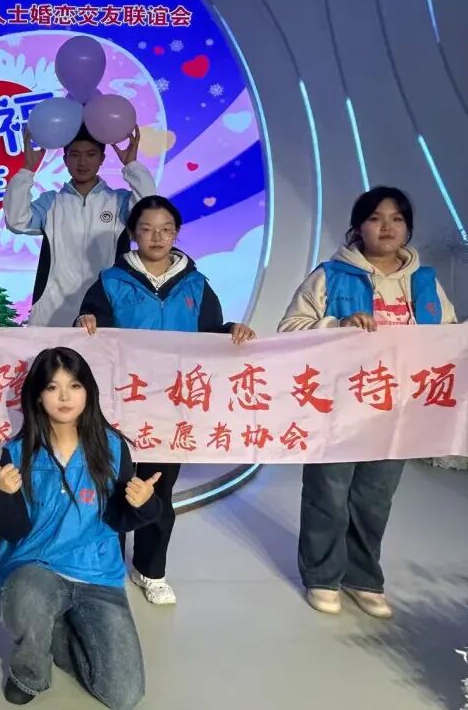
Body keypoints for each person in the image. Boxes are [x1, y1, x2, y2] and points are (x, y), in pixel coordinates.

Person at [279, 186, 457, 619]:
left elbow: (449, 336)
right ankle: (323, 576)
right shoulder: (330, 275)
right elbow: (290, 330)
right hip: (337, 407)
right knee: (328, 492)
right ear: (358, 227)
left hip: (398, 410)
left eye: (397, 219)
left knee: (375, 498)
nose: (387, 227)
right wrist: (338, 324)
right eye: (376, 218)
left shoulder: (425, 280)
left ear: (408, 227)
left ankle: (362, 578)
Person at [76, 195, 256, 605]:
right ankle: (107, 566)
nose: (156, 237)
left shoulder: (196, 284)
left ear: (176, 233)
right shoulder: (110, 281)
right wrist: (83, 320)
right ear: (132, 233)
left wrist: (232, 330)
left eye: (165, 229)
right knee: (115, 484)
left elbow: (211, 335)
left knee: (159, 488)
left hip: (172, 408)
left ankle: (150, 569)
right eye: (146, 229)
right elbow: (89, 332)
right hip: (121, 406)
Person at [0, 347, 161, 708]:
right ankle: (30, 671)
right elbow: (13, 531)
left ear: (88, 392)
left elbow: (117, 519)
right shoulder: (17, 452)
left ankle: (57, 631)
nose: (65, 397)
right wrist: (3, 496)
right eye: (52, 387)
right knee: (26, 595)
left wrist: (144, 504)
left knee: (125, 695)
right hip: (36, 567)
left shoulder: (112, 447)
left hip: (96, 573)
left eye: (75, 385)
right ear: (38, 395)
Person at [3, 124, 155, 327]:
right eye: (75, 155)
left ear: (102, 159)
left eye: (91, 154)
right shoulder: (51, 202)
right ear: (65, 159)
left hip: (106, 311)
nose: (82, 162)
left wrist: (132, 165)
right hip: (53, 314)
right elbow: (16, 221)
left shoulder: (119, 201)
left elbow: (149, 212)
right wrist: (27, 170)